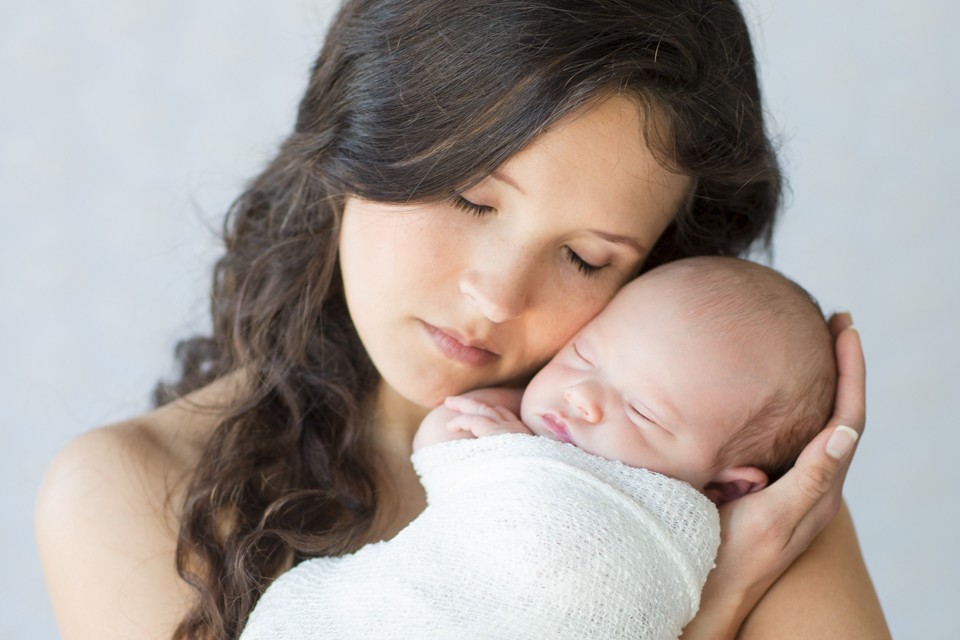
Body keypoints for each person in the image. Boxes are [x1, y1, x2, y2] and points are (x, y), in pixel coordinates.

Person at [35, 1, 890, 639]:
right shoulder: (135, 490)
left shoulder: (712, 485)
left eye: (588, 257)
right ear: (357, 140)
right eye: (466, 197)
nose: (496, 297)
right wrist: (719, 608)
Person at [237, 256, 840, 639]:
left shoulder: (662, 537)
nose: (583, 397)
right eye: (583, 355)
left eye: (643, 410)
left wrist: (505, 460)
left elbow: (454, 455)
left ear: (725, 489)